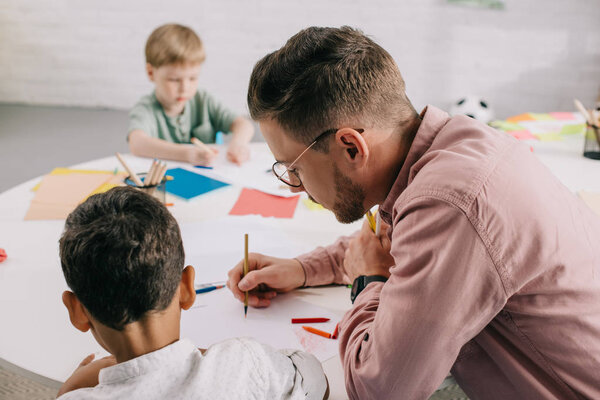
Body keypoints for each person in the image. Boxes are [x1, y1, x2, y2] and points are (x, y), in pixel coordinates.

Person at [226, 26, 600, 399]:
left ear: (352, 148)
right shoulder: (454, 144)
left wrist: (366, 282)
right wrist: (304, 269)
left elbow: (380, 389)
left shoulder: (451, 203)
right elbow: (398, 244)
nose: (292, 184)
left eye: (294, 168)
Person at [57, 186, 328, 399]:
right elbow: (312, 376)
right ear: (187, 288)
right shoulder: (242, 364)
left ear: (77, 311)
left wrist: (69, 391)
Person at [128, 23, 254, 166]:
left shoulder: (204, 100)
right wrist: (187, 154)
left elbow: (244, 125)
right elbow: (137, 143)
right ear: (151, 73)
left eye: (193, 78)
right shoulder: (146, 108)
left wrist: (238, 143)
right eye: (174, 80)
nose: (185, 88)